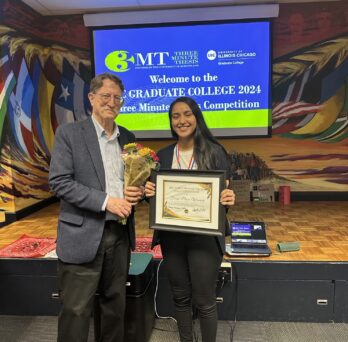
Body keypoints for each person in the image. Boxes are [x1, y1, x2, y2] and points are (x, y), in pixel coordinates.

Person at [49, 73, 144, 342]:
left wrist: (137, 191)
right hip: (83, 235)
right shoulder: (69, 134)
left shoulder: (128, 136)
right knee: (76, 311)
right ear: (91, 98)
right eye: (106, 96)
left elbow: (129, 180)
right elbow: (59, 182)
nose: (112, 102)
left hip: (120, 235)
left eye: (117, 98)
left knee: (115, 308)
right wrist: (106, 201)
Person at [145, 97, 235, 342]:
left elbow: (224, 196)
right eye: (176, 116)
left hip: (204, 238)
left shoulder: (214, 152)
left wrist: (227, 197)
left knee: (205, 300)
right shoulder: (162, 156)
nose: (181, 120)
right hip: (172, 237)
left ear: (196, 117)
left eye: (187, 114)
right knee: (180, 296)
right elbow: (155, 200)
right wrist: (149, 194)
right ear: (170, 121)